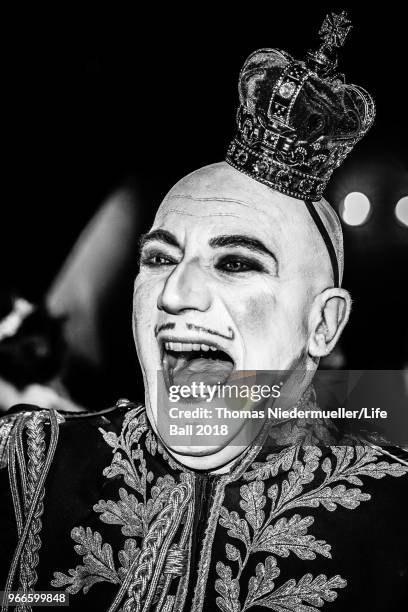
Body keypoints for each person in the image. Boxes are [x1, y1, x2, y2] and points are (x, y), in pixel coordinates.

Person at [1, 12, 407, 612]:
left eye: (237, 264)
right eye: (160, 258)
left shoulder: (395, 518)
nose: (175, 294)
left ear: (323, 324)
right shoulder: (29, 468)